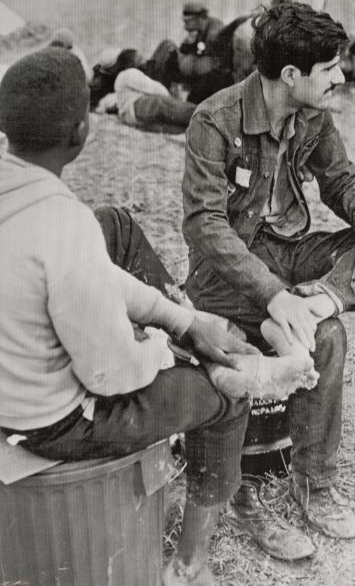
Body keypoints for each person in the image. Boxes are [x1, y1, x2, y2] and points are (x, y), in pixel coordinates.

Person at [0, 48, 316, 585]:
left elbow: (89, 269)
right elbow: (112, 376)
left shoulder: (37, 204)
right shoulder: (64, 227)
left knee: (114, 226)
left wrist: (180, 320)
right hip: (49, 425)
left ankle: (204, 339)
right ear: (82, 132)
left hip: (15, 380)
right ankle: (190, 564)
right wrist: (158, 347)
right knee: (226, 397)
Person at [182, 1, 355, 560]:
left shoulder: (314, 116)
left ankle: (315, 486)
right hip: (228, 277)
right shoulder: (214, 120)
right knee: (328, 340)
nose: (340, 76)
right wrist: (271, 296)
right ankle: (246, 496)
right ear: (291, 75)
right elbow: (205, 226)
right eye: (330, 67)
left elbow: (343, 181)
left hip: (291, 261)